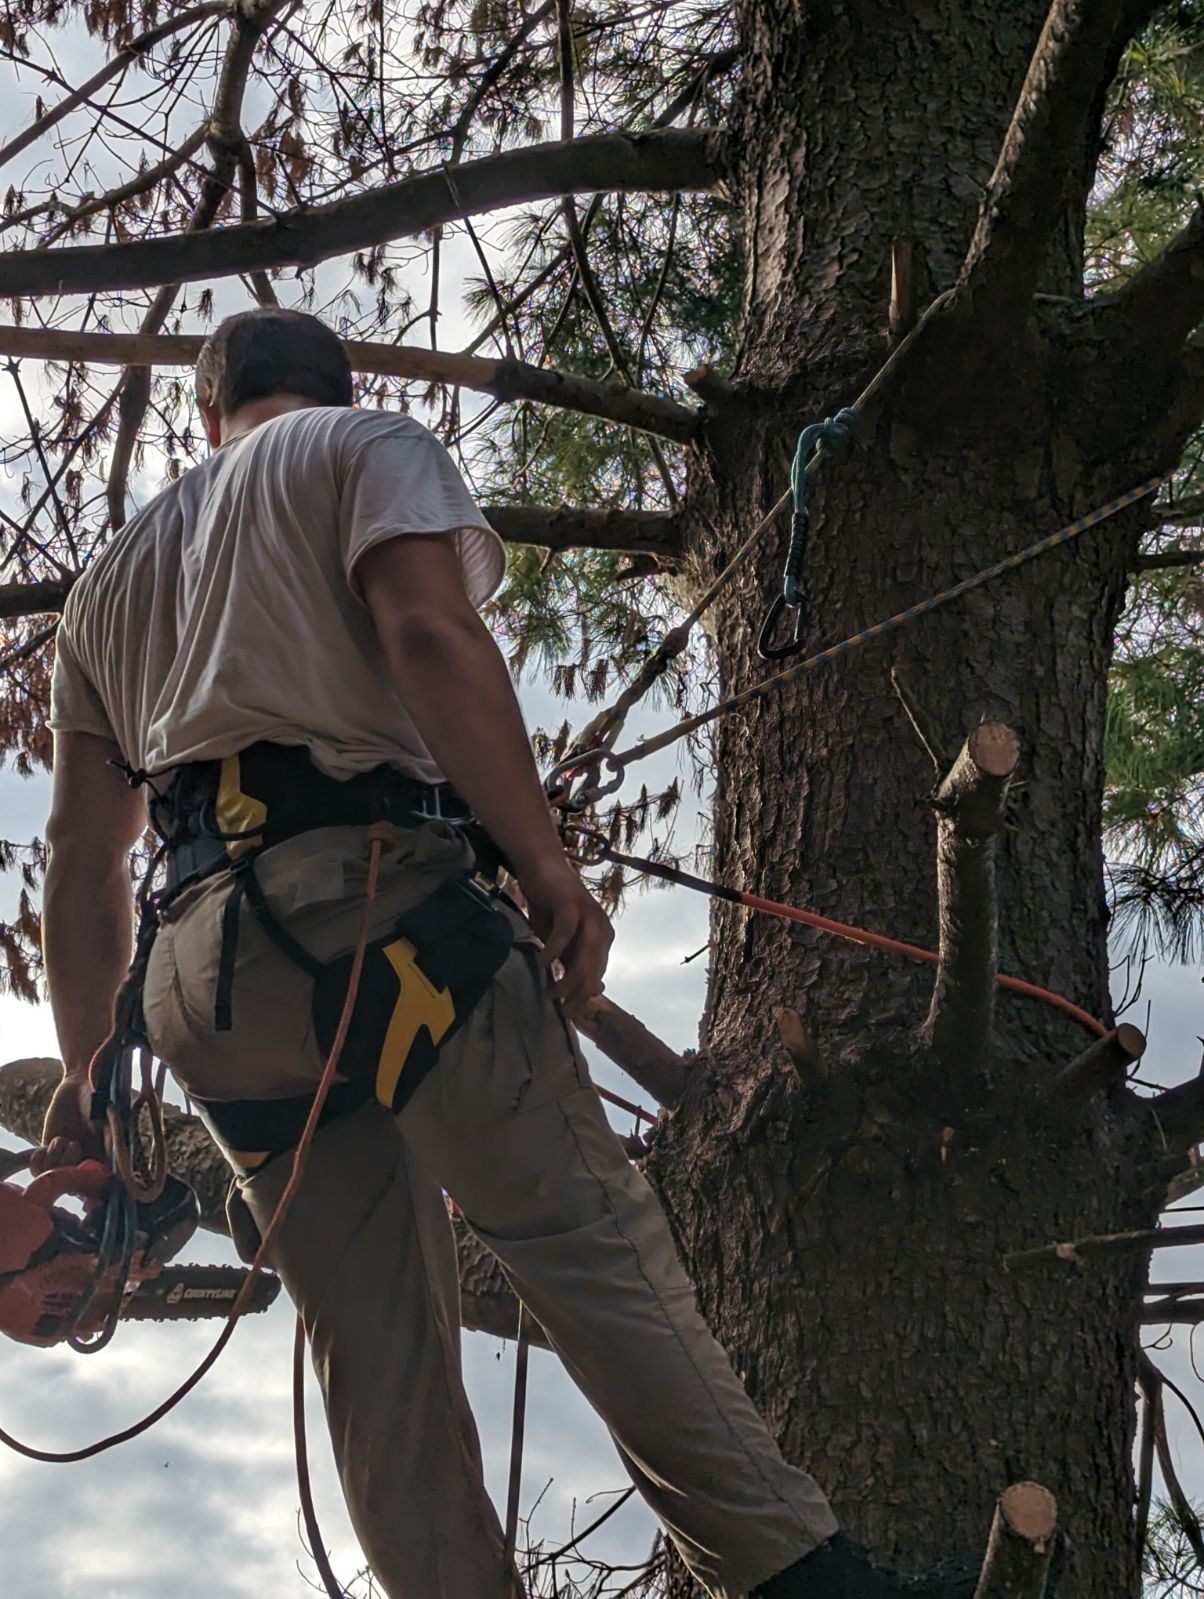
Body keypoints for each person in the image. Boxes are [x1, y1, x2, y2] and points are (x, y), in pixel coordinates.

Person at [37, 306, 915, 1599]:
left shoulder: (105, 588)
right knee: (578, 1233)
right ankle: (800, 1578)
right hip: (377, 908)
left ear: (205, 415)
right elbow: (431, 634)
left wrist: (85, 1070)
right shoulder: (362, 445)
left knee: (374, 1350)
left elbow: (77, 858)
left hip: (204, 985)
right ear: (335, 386)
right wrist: (548, 866)